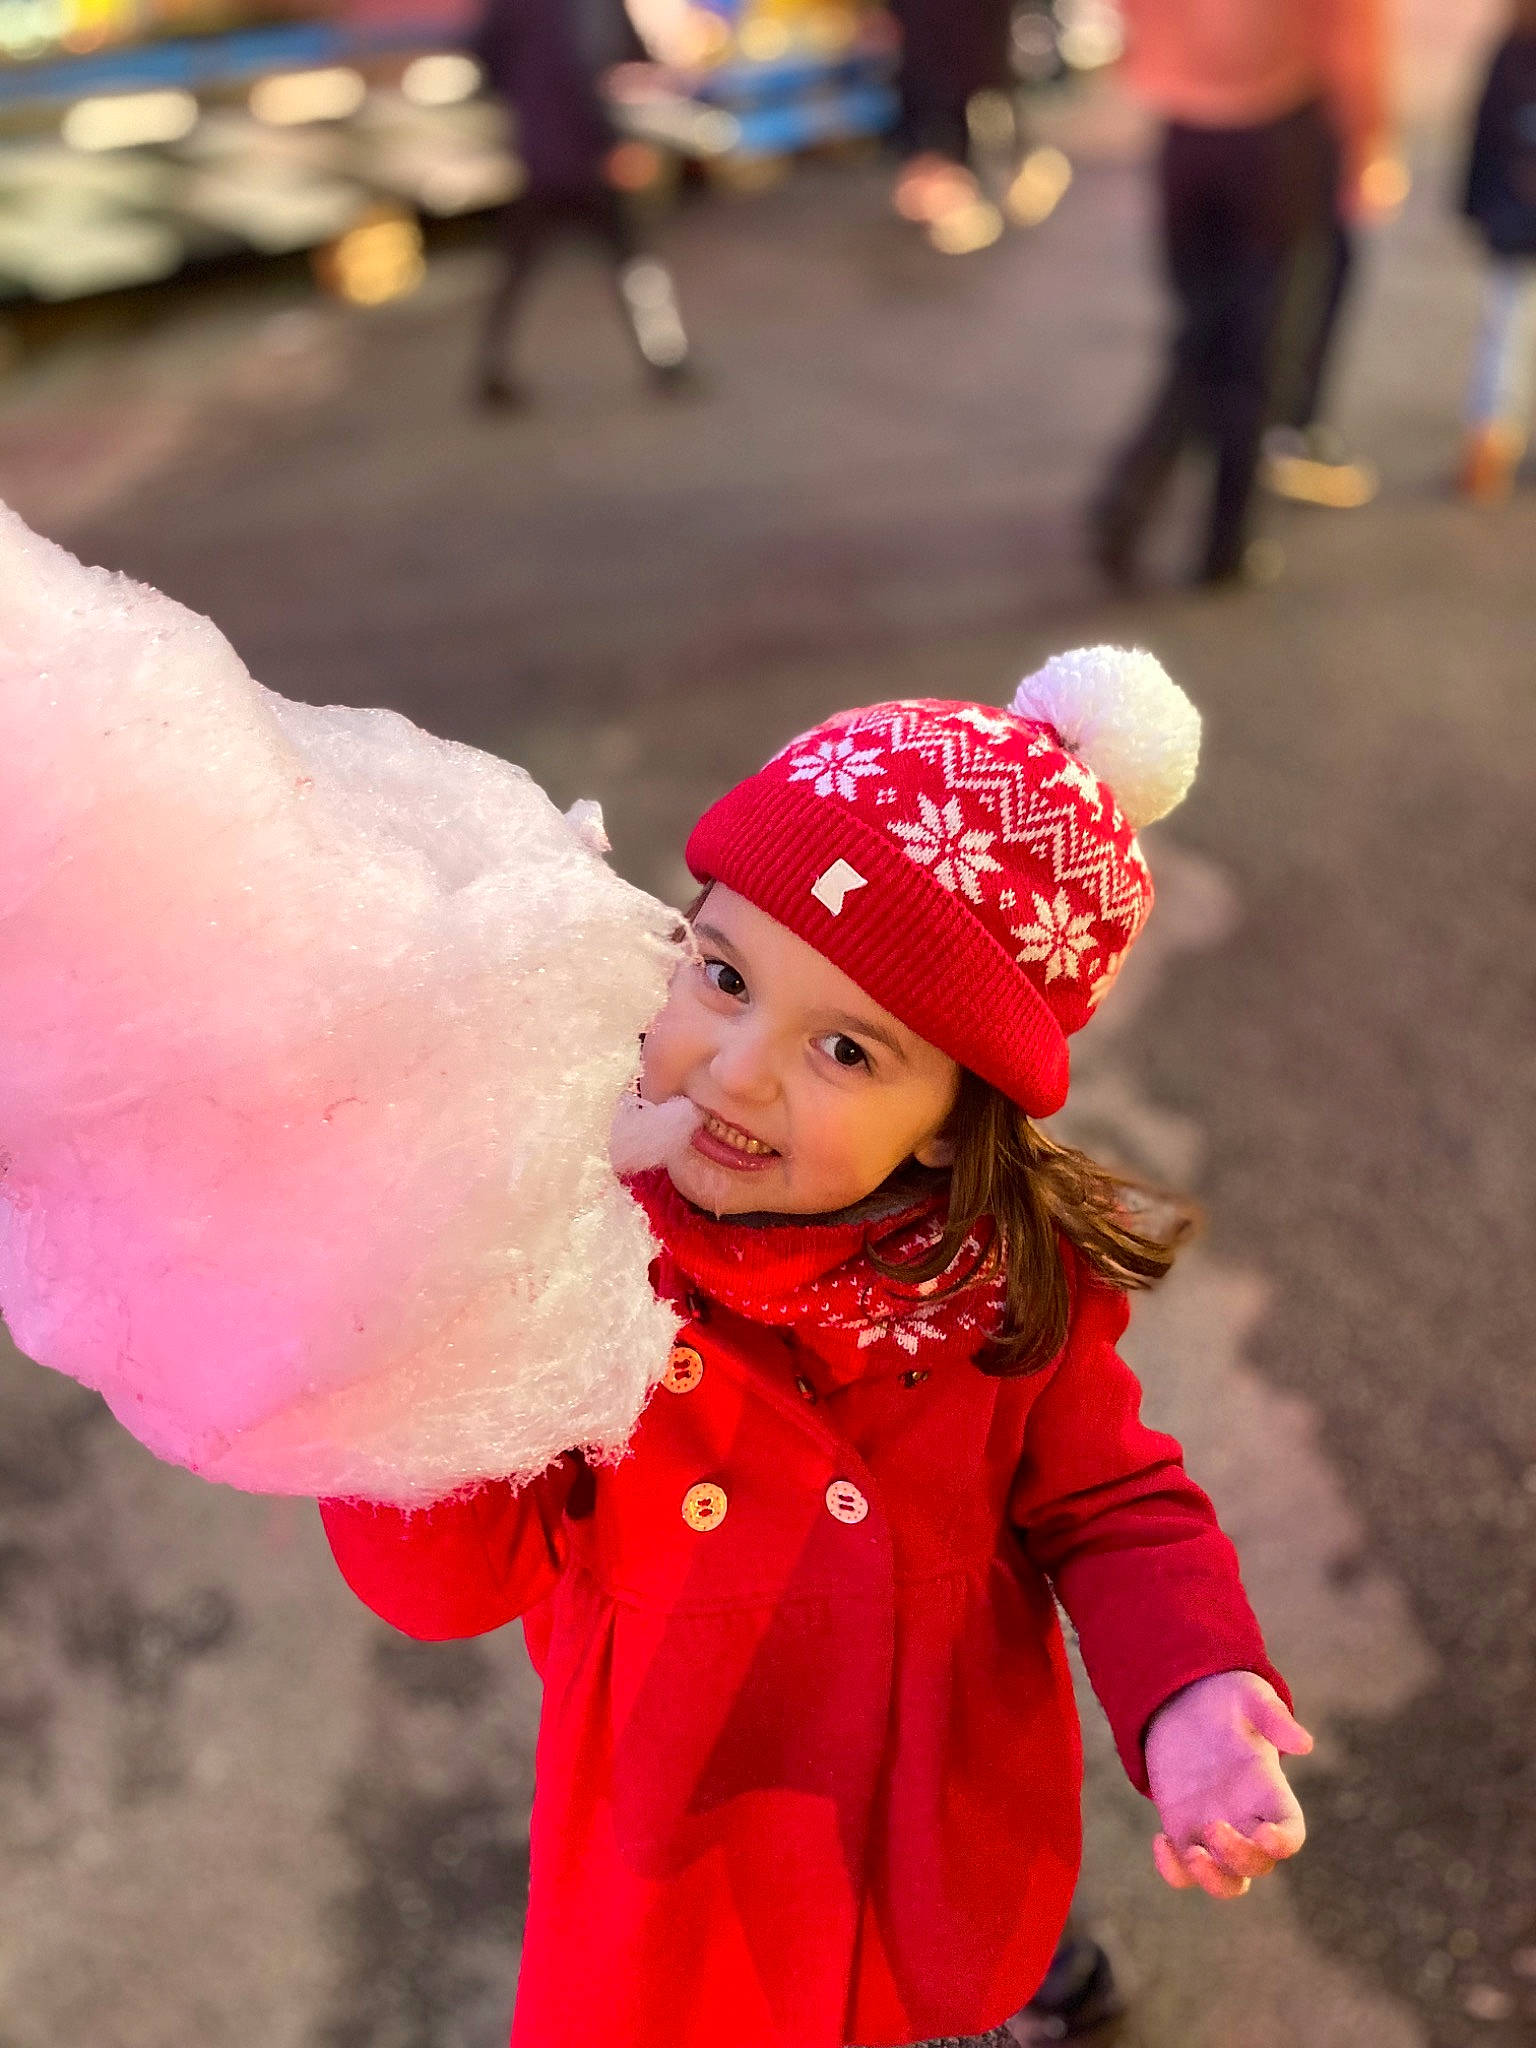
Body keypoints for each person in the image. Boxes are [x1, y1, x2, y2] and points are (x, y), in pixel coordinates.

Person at [318, 651, 1312, 2048]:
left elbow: (1112, 1506)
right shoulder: (582, 1248)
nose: (736, 1068)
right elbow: (454, 1579)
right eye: (723, 974)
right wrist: (405, 1365)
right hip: (684, 1842)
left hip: (940, 1814)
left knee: (950, 1967)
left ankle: (1037, 1974)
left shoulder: (1004, 1291)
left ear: (959, 1120)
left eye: (847, 1051)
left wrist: (1194, 1690)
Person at [1092, 0, 1395, 586]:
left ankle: (1129, 502)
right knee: (1255, 351)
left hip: (1185, 133)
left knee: (1201, 334)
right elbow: (1351, 31)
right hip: (1277, 136)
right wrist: (1367, 139)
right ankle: (1225, 542)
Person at [471, 0, 692, 407]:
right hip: (585, 158)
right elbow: (607, 66)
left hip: (542, 158)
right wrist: (612, 143)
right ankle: (665, 359)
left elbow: (485, 63)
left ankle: (492, 368)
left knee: (521, 271)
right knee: (631, 262)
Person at [1457, 0, 1536, 502]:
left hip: (1515, 213)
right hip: (1519, 216)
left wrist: (1475, 205)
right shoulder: (1513, 49)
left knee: (1506, 326)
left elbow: (1483, 133)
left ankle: (1490, 442)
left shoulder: (1513, 46)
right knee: (1507, 322)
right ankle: (1489, 445)